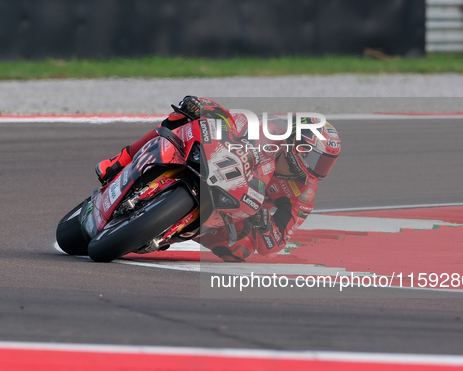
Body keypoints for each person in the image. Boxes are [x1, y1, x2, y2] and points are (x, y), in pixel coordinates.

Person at [96, 96, 341, 262]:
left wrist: (266, 224)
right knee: (184, 115)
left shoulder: (304, 194)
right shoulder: (271, 128)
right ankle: (120, 160)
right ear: (298, 144)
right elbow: (232, 120)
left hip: (241, 208)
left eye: (325, 163)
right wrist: (204, 108)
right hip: (221, 160)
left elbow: (275, 244)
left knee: (241, 250)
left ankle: (172, 230)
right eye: (316, 159)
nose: (317, 169)